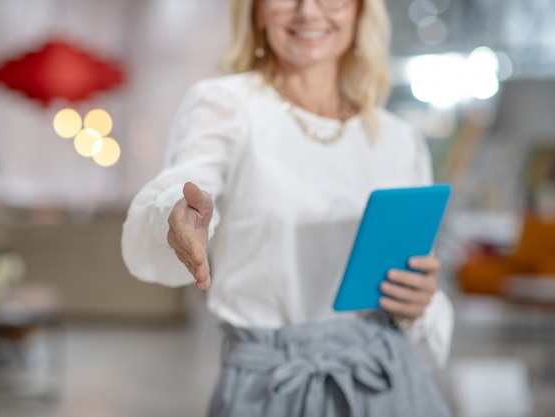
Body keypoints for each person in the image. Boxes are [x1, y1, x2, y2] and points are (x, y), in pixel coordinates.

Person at [122, 0, 453, 415]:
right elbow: (186, 180)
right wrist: (181, 210)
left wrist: (420, 303)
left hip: (390, 380)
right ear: (257, 12)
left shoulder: (399, 139)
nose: (308, 12)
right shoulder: (225, 105)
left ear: (360, 12)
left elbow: (423, 285)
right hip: (270, 388)